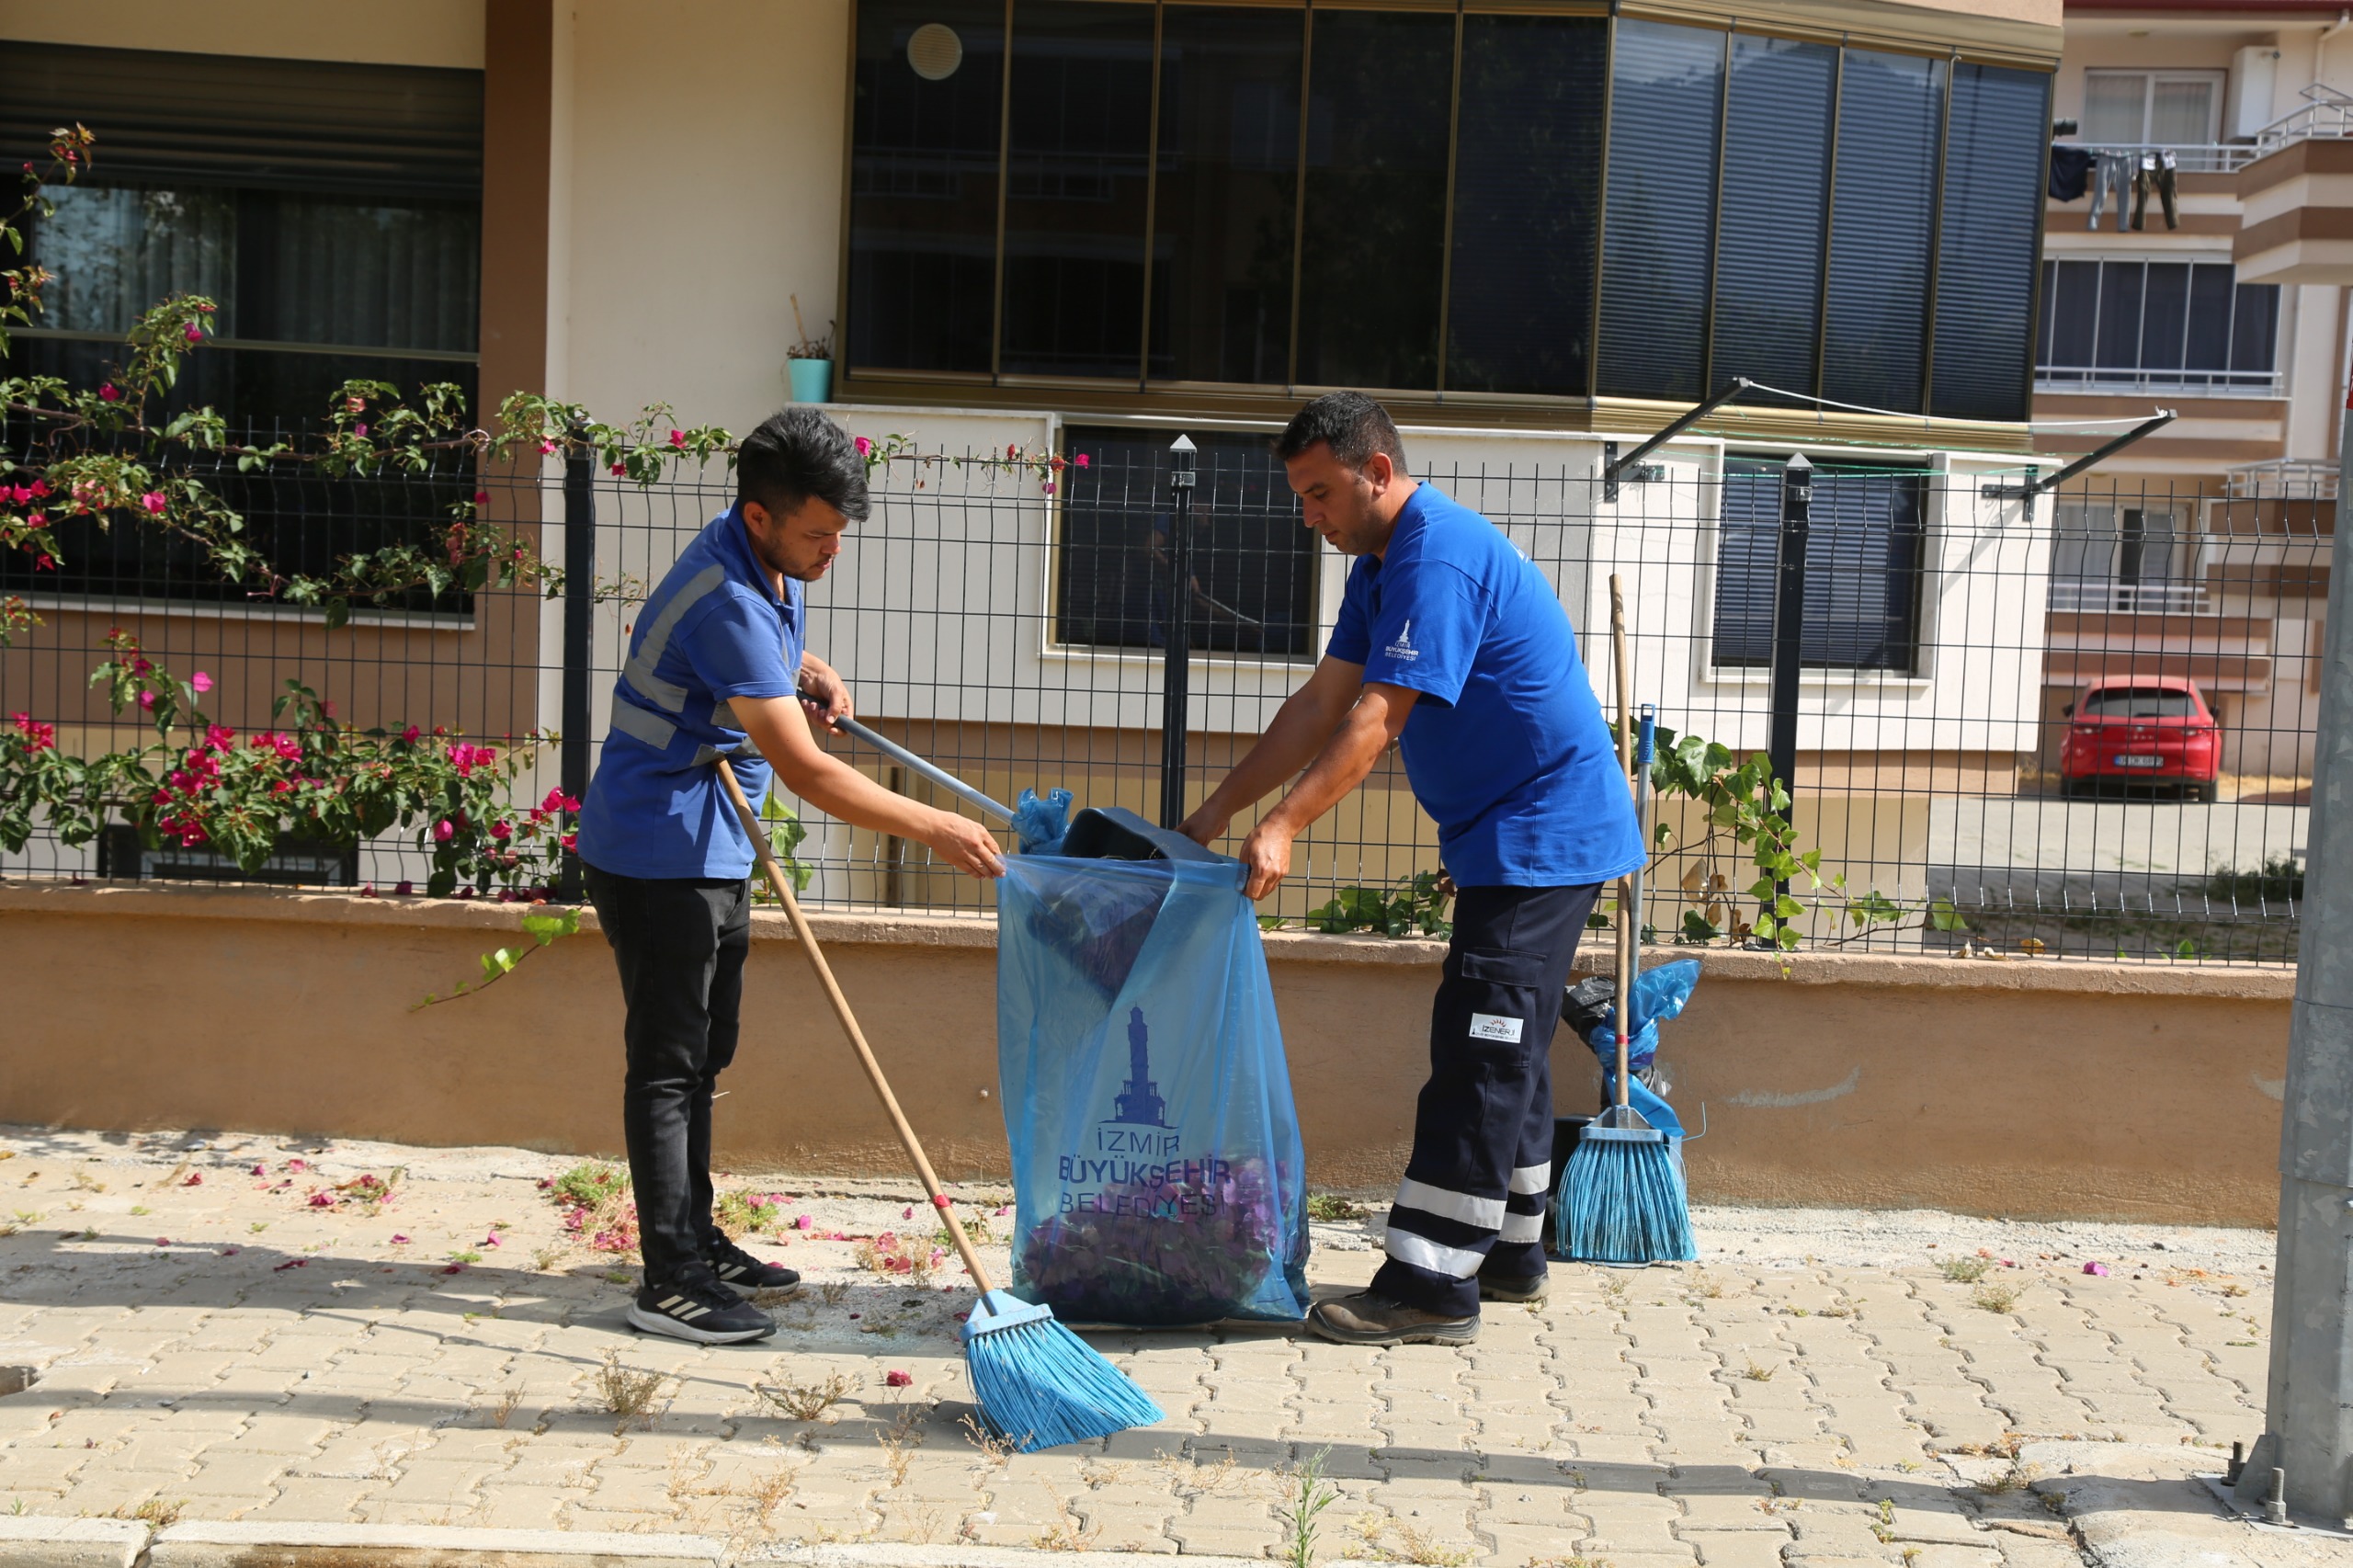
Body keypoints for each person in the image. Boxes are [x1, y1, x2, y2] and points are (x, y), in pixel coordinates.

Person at [1178, 392, 1642, 1346]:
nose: (1308, 516)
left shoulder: (1437, 554)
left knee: (1480, 1041)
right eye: (1300, 496)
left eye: (1319, 493)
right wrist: (1216, 813)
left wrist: (1285, 824)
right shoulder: (1383, 565)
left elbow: (1375, 719)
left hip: (1543, 831)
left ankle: (1430, 1285)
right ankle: (1508, 1251)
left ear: (1377, 472)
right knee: (1501, 1036)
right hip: (1508, 835)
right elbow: (1318, 704)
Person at [576, 407, 1005, 1345]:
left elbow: (744, 653)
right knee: (667, 1063)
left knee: (707, 1050)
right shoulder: (728, 596)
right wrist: (934, 823)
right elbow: (808, 769)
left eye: (839, 533)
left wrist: (799, 664)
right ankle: (670, 1278)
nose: (831, 552)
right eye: (817, 533)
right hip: (655, 851)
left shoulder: (761, 563)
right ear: (760, 515)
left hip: (712, 841)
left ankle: (693, 1233)